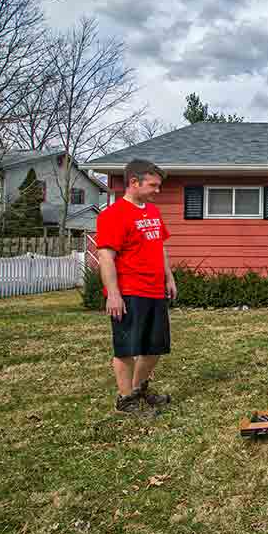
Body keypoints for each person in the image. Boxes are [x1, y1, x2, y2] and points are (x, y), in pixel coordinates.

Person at [96, 159, 177, 416]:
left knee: (154, 348)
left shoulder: (152, 212)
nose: (157, 190)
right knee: (127, 348)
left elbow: (160, 246)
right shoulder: (113, 215)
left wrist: (169, 277)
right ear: (134, 182)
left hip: (154, 291)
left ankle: (138, 389)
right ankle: (125, 400)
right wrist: (114, 294)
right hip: (130, 292)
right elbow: (106, 256)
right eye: (153, 185)